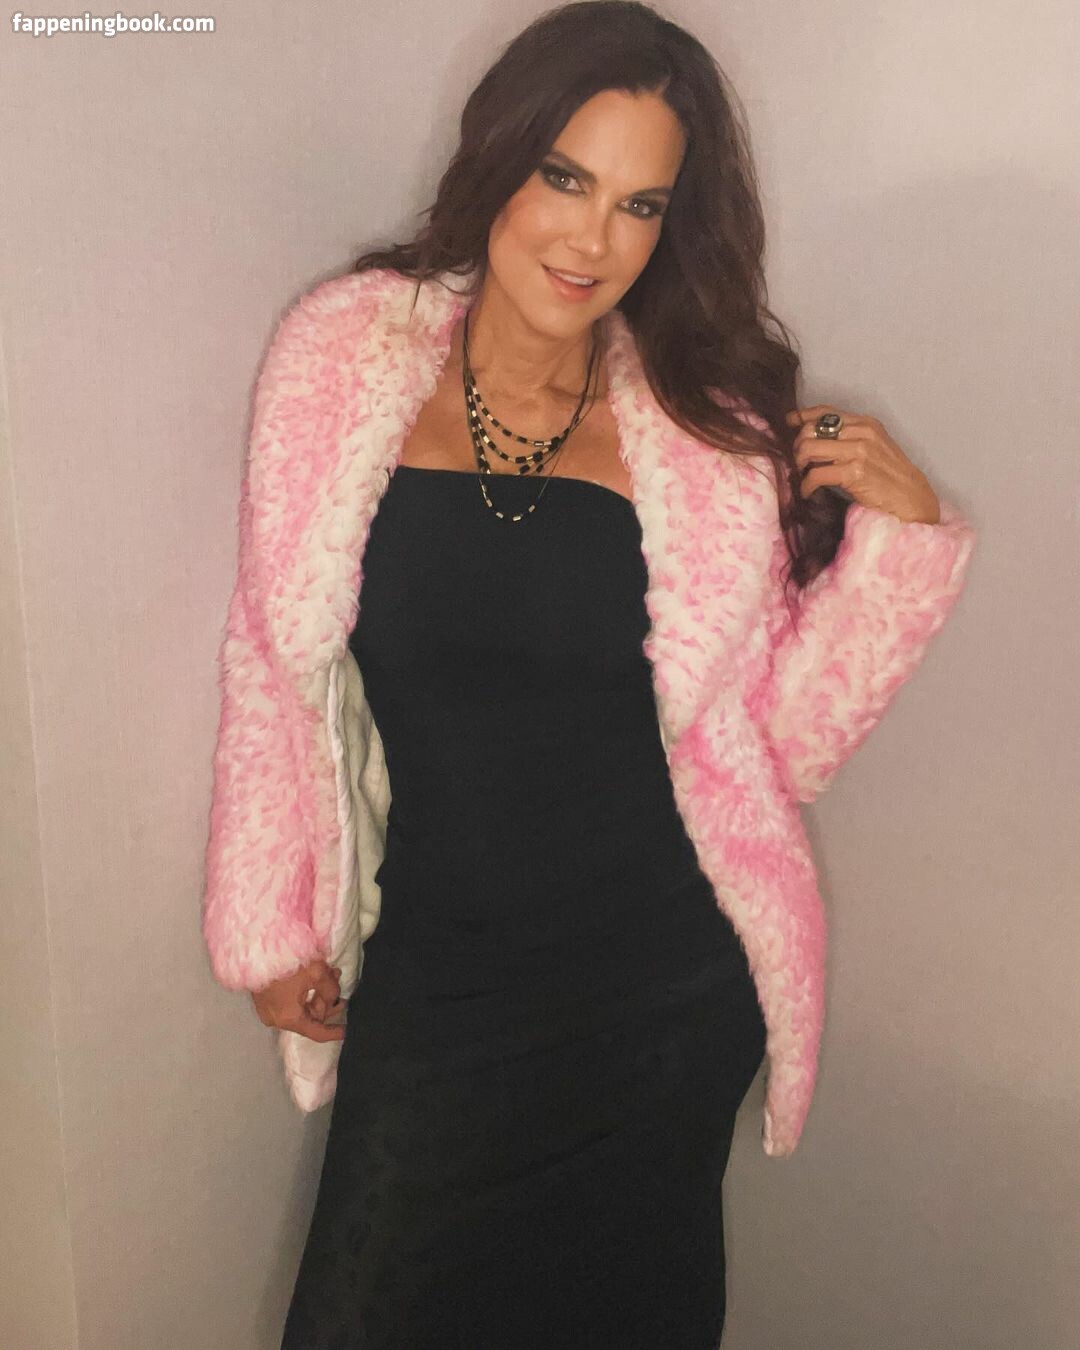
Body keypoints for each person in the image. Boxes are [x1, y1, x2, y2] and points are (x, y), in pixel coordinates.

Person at [200, 3, 976, 1346]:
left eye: (639, 204)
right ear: (499, 159)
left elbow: (774, 749)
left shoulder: (704, 439)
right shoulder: (343, 364)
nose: (591, 238)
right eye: (565, 177)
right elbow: (271, 657)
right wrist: (269, 922)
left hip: (662, 993)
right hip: (442, 983)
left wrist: (898, 557)